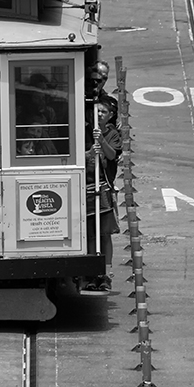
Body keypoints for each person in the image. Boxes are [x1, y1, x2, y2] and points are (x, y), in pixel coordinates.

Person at [83, 98, 123, 293]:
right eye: (97, 111)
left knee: (104, 234)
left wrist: (101, 140)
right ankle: (91, 273)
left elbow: (112, 155)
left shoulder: (113, 134)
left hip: (103, 189)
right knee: (90, 234)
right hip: (86, 188)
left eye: (103, 112)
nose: (99, 115)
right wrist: (89, 152)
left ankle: (105, 274)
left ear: (110, 116)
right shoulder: (83, 131)